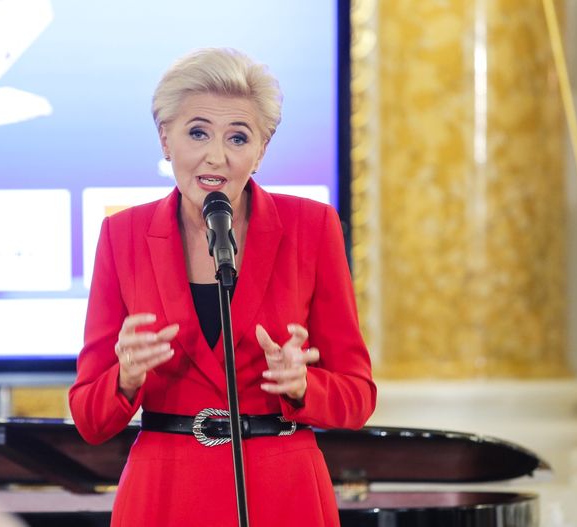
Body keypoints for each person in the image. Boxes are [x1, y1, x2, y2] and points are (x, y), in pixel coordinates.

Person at [68, 48, 376, 527]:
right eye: (197, 133)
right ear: (165, 138)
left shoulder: (312, 227)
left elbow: (357, 397)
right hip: (164, 494)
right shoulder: (121, 235)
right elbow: (89, 419)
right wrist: (125, 377)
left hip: (282, 491)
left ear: (262, 149)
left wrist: (303, 385)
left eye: (238, 137)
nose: (216, 156)